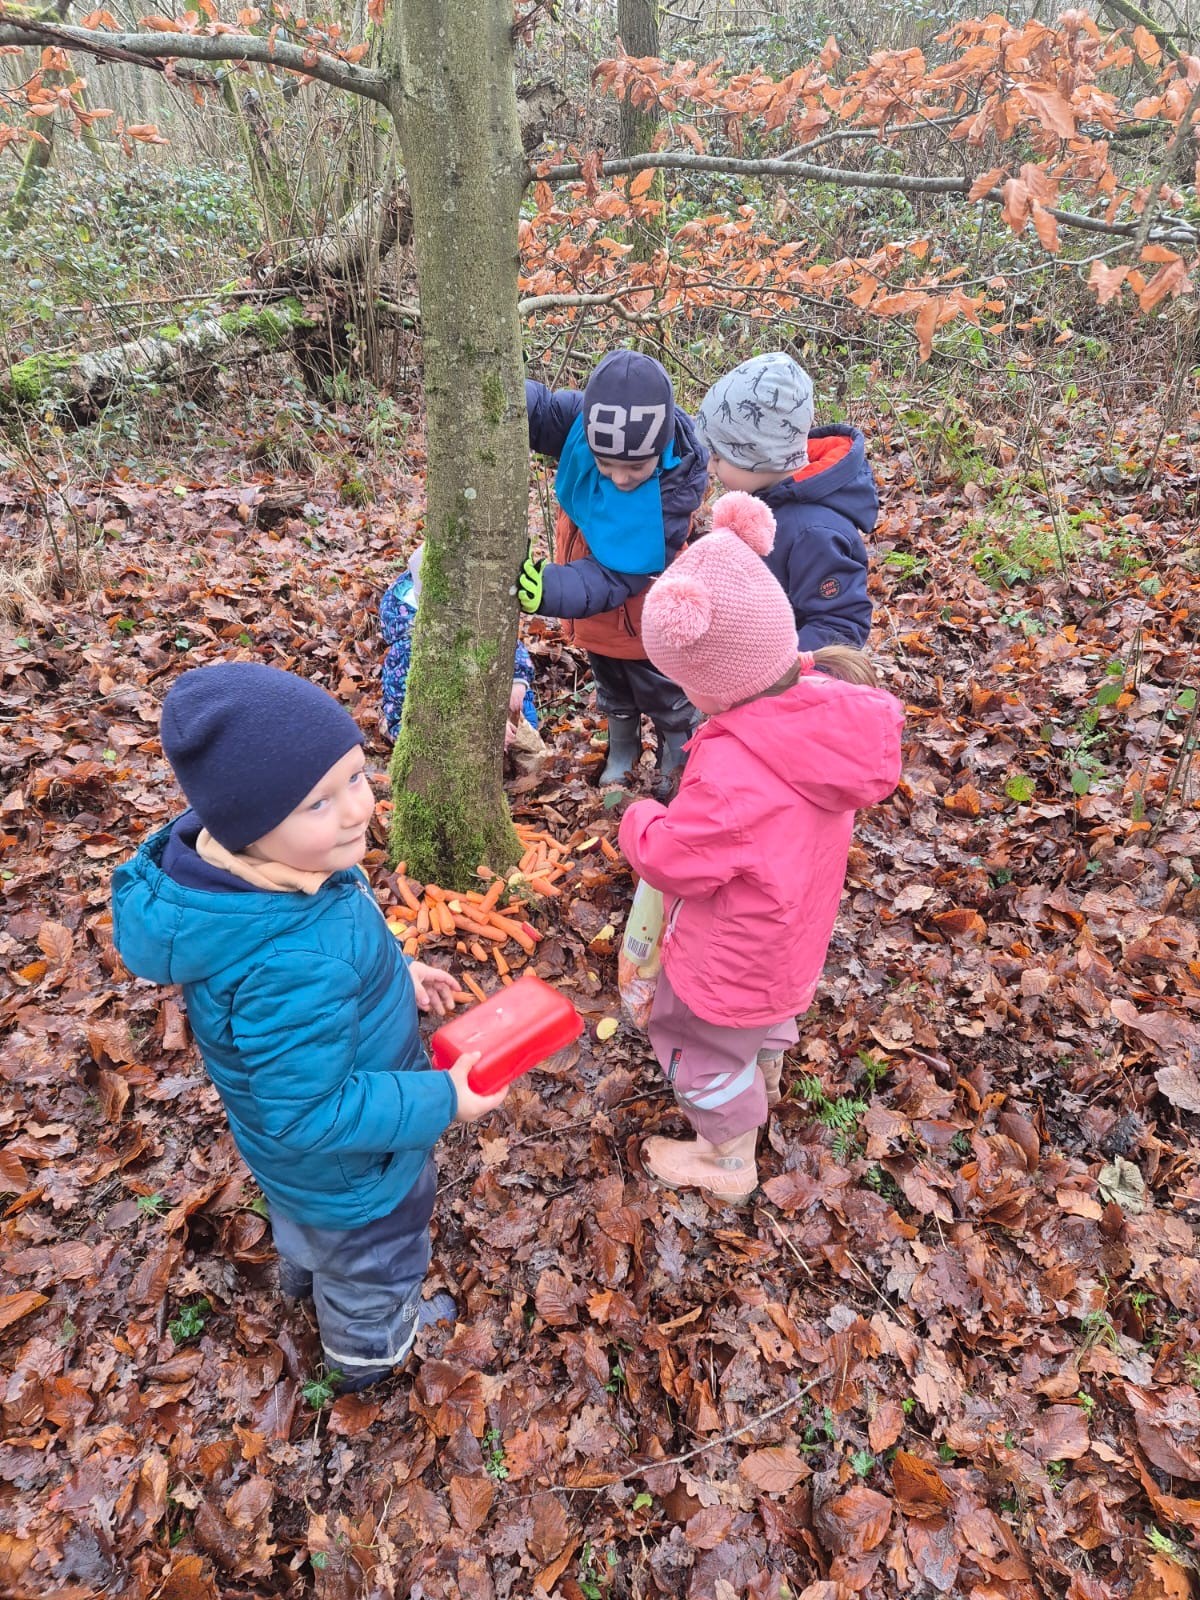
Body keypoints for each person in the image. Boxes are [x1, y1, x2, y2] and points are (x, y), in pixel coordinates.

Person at [111, 662, 508, 1389]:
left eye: (355, 777)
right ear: (253, 825)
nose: (358, 810)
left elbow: (341, 940)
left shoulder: (287, 873)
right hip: (357, 1178)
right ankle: (365, 1358)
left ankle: (304, 1273)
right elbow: (312, 1112)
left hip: (308, 1176)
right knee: (372, 1267)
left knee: (311, 1224)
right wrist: (445, 1101)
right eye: (320, 802)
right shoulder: (288, 963)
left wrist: (398, 970)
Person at [618, 492, 904, 1202]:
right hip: (794, 931)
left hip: (733, 952)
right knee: (765, 1015)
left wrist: (640, 821)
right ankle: (765, 1073)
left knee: (697, 1042)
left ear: (708, 680)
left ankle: (728, 1157)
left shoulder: (735, 767)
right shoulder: (819, 706)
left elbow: (675, 858)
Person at [518, 348, 709, 785]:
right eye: (605, 466)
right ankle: (622, 745)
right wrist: (508, 394)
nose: (621, 479)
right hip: (598, 622)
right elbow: (545, 412)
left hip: (648, 628)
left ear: (659, 452)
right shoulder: (590, 420)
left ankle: (676, 754)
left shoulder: (670, 496)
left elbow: (617, 575)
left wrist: (550, 590)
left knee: (664, 696)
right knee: (612, 689)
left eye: (635, 468)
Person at [695, 350, 875, 649]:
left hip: (787, 684)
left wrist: (777, 669)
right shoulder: (763, 502)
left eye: (718, 457)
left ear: (760, 455)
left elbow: (840, 625)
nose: (711, 468)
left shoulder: (813, 533)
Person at [381, 544, 538, 745]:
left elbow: (510, 645)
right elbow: (402, 712)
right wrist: (478, 729)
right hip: (448, 724)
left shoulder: (478, 615)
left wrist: (518, 680)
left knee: (526, 716)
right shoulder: (407, 649)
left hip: (489, 692)